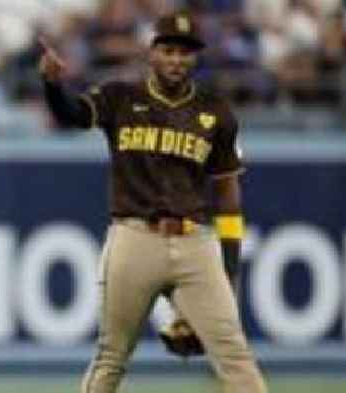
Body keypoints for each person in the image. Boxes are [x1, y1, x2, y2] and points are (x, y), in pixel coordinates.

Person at [39, 12, 268, 393]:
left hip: (196, 244)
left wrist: (228, 267)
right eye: (168, 50)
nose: (177, 59)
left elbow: (228, 197)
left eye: (186, 52)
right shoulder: (120, 97)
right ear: (152, 52)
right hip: (134, 238)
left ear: (196, 58)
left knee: (235, 357)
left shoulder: (216, 113)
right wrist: (51, 84)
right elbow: (71, 116)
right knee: (111, 358)